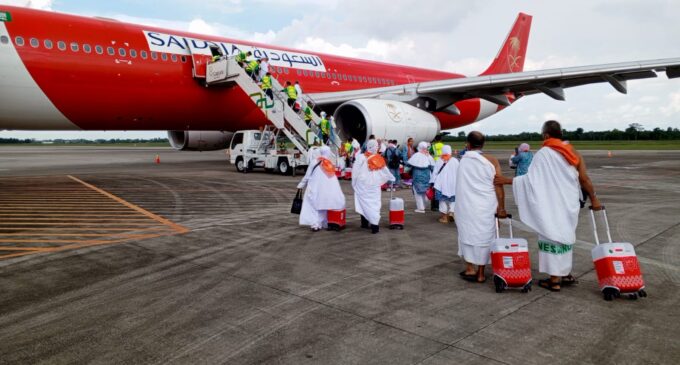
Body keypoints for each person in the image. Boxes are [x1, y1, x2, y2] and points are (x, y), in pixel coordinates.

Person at [495, 120, 602, 292]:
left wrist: (507, 181)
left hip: (551, 205)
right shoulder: (573, 152)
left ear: (545, 135)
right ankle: (564, 273)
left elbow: (532, 181)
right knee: (565, 237)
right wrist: (594, 199)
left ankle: (554, 280)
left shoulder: (544, 153)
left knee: (551, 236)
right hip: (569, 203)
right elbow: (584, 179)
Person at [455, 131, 507, 283]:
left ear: (468, 144)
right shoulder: (491, 160)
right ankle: (481, 273)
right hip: (486, 206)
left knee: (467, 234)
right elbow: (499, 184)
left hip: (467, 206)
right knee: (485, 236)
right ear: (483, 144)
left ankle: (470, 268)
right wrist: (502, 207)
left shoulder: (464, 160)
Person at [296, 146, 346, 232]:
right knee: (324, 206)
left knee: (315, 207)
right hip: (327, 190)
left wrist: (301, 184)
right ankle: (324, 223)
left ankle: (315, 225)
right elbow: (340, 168)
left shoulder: (314, 162)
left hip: (315, 188)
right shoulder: (330, 163)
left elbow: (307, 176)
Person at [352, 140, 395, 234]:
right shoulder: (378, 158)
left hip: (362, 185)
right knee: (374, 204)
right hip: (374, 185)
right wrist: (392, 178)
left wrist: (353, 183)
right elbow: (385, 170)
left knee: (363, 203)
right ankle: (374, 225)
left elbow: (355, 172)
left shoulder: (360, 157)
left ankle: (364, 223)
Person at [430, 145, 459, 223]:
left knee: (442, 200)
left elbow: (435, 173)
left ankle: (444, 217)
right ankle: (451, 212)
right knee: (453, 200)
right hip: (453, 184)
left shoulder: (439, 160)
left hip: (441, 184)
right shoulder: (455, 161)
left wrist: (432, 182)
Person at [407, 142, 435, 213]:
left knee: (418, 192)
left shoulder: (416, 155)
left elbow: (408, 166)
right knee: (425, 191)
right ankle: (424, 206)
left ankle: (421, 208)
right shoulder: (429, 156)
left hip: (417, 177)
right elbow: (433, 168)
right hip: (427, 177)